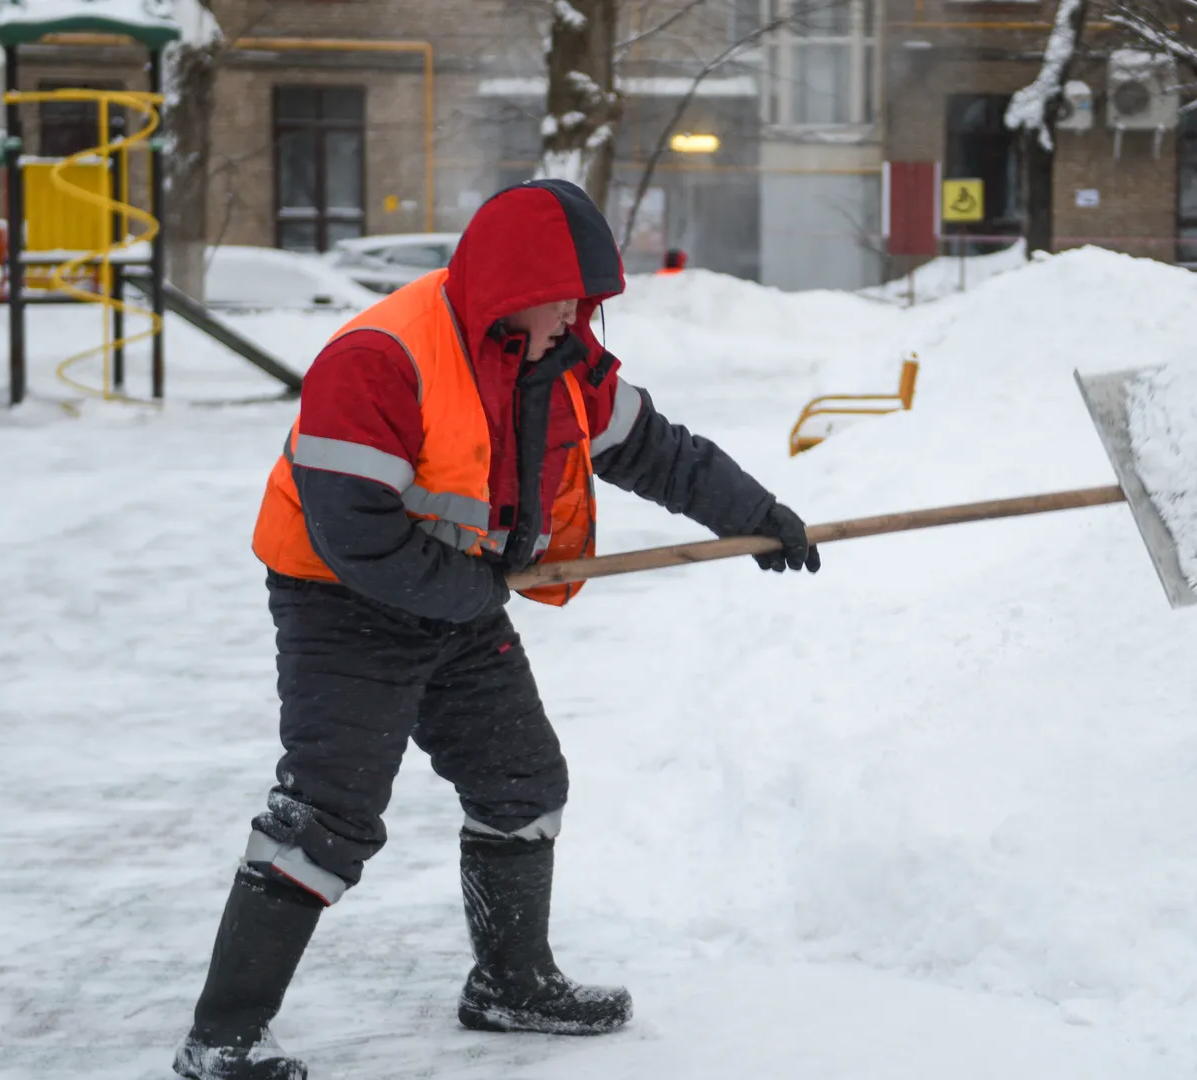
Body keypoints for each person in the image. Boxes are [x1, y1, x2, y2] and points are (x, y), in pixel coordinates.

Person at [174, 179, 819, 1080]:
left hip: (454, 595)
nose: (579, 316)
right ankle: (223, 1038)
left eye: (588, 302)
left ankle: (512, 985)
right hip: (344, 602)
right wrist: (471, 592)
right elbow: (350, 529)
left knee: (522, 782)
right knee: (330, 813)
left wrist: (754, 514)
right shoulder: (383, 355)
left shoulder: (558, 358)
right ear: (516, 284)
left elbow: (653, 448)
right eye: (568, 297)